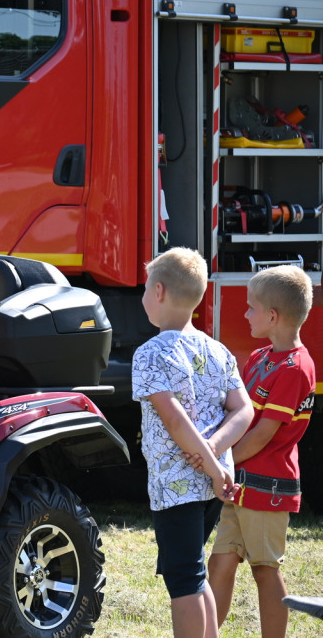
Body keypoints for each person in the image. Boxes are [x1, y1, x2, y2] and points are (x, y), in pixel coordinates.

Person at [131, 247, 253, 638]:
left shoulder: (149, 354)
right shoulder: (217, 349)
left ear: (160, 291)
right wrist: (216, 455)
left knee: (183, 580)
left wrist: (211, 464)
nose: (144, 295)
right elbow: (244, 411)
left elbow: (174, 421)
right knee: (192, 570)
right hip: (211, 483)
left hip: (176, 484)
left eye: (146, 287)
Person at [205, 266, 315, 638]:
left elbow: (265, 434)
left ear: (273, 316)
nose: (245, 313)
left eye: (251, 307)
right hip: (241, 481)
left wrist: (223, 459)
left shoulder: (295, 368)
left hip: (268, 485)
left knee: (265, 568)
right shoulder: (260, 357)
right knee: (220, 562)